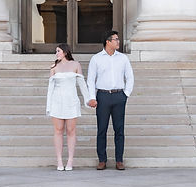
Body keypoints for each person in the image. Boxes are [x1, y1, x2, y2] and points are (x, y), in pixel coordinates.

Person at [86, 29, 134, 170]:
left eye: (118, 39)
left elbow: (130, 77)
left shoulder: (123, 58)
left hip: (119, 96)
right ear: (107, 42)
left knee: (119, 129)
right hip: (103, 96)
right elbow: (90, 80)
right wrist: (92, 98)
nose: (118, 42)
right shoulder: (96, 59)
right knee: (102, 129)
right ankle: (102, 159)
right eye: (115, 39)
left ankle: (119, 160)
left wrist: (126, 94)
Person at [45, 43, 92, 171]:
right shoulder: (54, 67)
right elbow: (50, 89)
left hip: (71, 101)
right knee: (58, 130)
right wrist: (48, 106)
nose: (56, 53)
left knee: (71, 131)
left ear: (65, 52)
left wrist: (88, 100)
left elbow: (82, 84)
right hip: (57, 102)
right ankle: (59, 160)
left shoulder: (76, 65)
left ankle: (70, 160)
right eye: (56, 51)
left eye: (58, 51)